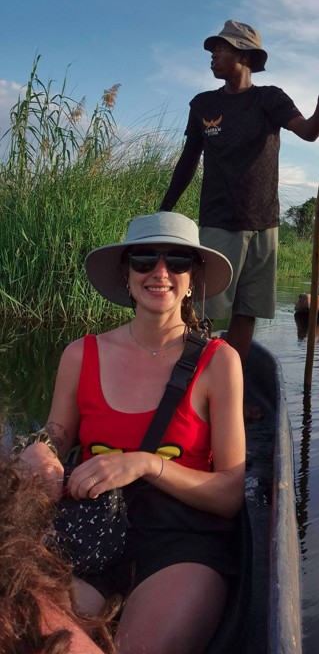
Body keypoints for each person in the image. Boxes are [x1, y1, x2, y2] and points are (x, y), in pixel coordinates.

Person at [17, 212, 245, 654]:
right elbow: (57, 436)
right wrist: (40, 451)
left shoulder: (220, 361)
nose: (160, 272)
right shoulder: (80, 354)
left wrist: (145, 463)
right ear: (126, 272)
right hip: (89, 533)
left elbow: (230, 493)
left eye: (177, 261)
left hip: (181, 540)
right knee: (39, 638)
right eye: (144, 259)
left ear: (193, 276)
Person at [159, 19, 319, 361]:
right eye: (213, 49)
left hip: (263, 224)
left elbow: (309, 132)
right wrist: (165, 207)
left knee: (247, 310)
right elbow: (187, 161)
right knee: (204, 310)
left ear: (244, 55)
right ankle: (195, 382)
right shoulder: (203, 105)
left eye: (221, 49)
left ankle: (233, 385)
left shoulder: (269, 99)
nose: (212, 55)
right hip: (218, 222)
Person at [0, 449, 115, 654]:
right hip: (88, 528)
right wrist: (42, 450)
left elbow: (195, 488)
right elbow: (53, 439)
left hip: (168, 530)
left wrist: (146, 465)